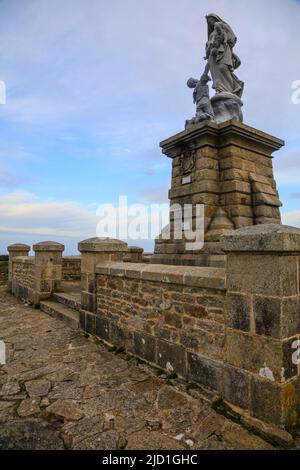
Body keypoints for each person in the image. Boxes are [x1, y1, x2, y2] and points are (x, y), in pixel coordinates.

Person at [204, 14, 244, 98]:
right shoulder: (211, 34)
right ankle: (220, 90)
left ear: (216, 18)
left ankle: (233, 88)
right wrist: (208, 48)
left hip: (224, 50)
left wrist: (223, 40)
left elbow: (232, 38)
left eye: (211, 19)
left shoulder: (224, 26)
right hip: (213, 55)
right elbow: (209, 44)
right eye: (209, 21)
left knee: (224, 68)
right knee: (216, 73)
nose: (211, 22)